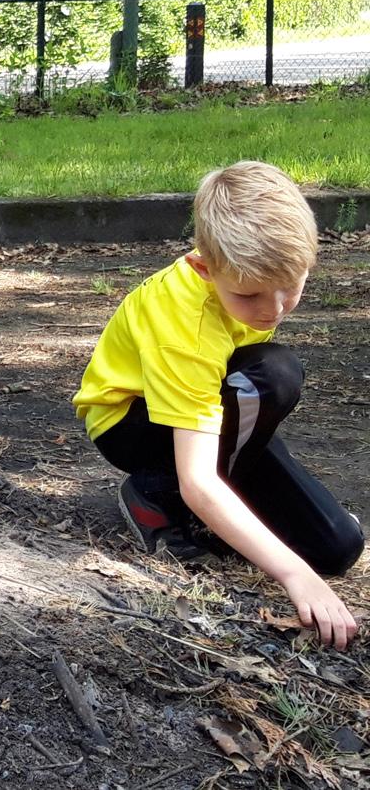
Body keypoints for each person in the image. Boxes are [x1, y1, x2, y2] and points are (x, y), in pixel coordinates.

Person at [74, 160, 362, 650]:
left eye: (290, 286)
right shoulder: (185, 327)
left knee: (337, 549)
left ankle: (228, 507)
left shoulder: (247, 271)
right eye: (250, 296)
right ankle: (154, 496)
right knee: (273, 374)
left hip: (209, 403)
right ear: (203, 268)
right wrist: (292, 574)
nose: (272, 309)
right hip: (131, 423)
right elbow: (200, 480)